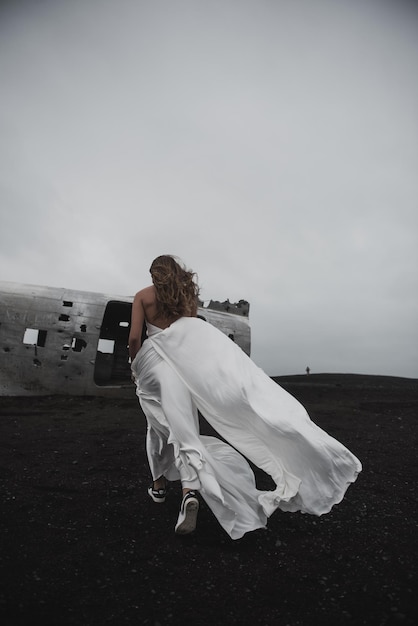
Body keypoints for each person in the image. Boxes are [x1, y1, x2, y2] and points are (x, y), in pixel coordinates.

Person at [129, 255, 362, 540]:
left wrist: (135, 366)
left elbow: (133, 339)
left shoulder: (142, 296)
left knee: (160, 426)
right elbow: (188, 339)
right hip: (182, 369)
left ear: (155, 273)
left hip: (154, 366)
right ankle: (188, 490)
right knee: (184, 427)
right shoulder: (184, 299)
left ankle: (161, 486)